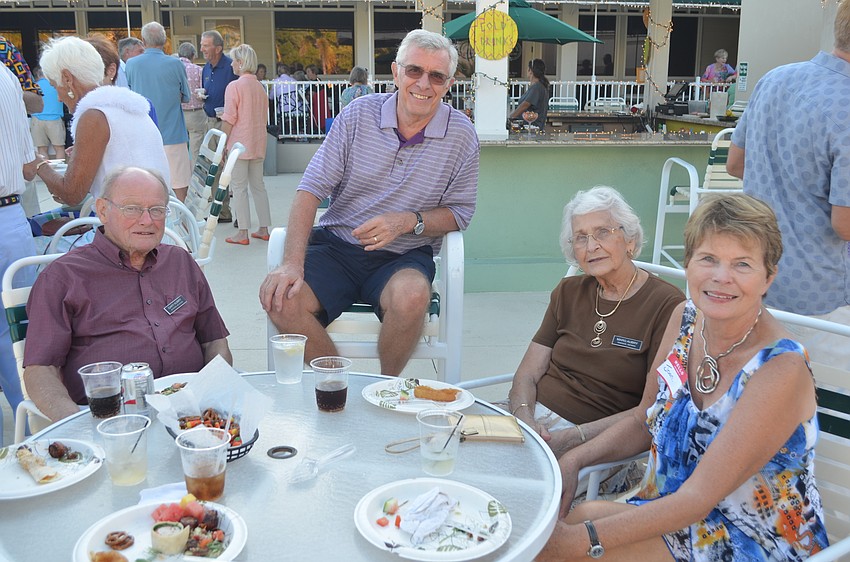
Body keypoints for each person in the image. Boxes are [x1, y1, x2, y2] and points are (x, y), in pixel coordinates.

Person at [539, 193, 829, 562]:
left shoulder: (779, 368)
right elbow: (647, 419)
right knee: (574, 521)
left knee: (566, 547)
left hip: (750, 539)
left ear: (768, 277)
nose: (721, 278)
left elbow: (698, 499)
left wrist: (581, 540)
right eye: (708, 259)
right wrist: (574, 460)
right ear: (688, 263)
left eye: (742, 264)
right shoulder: (686, 320)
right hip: (671, 513)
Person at [259, 29, 479, 376]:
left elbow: (460, 213)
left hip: (404, 255)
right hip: (337, 247)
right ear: (395, 72)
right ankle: (336, 382)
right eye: (414, 71)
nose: (424, 84)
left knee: (411, 296)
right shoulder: (359, 115)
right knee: (280, 297)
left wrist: (407, 221)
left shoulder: (461, 135)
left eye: (436, 76)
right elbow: (310, 190)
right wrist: (291, 264)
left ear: (449, 83)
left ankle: (385, 389)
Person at [23, 166, 232, 423]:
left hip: (193, 414)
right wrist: (78, 426)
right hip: (110, 421)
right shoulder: (63, 277)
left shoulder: (180, 262)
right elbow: (40, 369)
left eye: (157, 209)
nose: (147, 220)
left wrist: (212, 395)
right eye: (131, 208)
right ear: (102, 210)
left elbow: (214, 341)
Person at [507, 186, 683, 457]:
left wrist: (571, 438)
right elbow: (527, 373)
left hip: (595, 441)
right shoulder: (568, 292)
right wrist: (524, 420)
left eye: (603, 232)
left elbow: (651, 411)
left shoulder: (667, 305)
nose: (591, 246)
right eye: (580, 238)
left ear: (630, 241)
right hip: (531, 422)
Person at [727, 0, 850, 370]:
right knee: (822, 415)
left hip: (758, 277)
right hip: (822, 299)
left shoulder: (776, 78)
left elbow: (736, 164)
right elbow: (844, 224)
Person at [31, 36, 170, 205]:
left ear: (67, 78)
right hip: (148, 215)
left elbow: (72, 194)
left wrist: (39, 164)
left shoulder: (95, 115)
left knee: (38, 228)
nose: (58, 97)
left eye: (54, 86)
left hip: (131, 223)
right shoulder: (124, 106)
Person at [0, 64, 39, 441]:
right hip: (10, 216)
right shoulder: (6, 74)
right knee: (15, 335)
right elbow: (28, 168)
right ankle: (30, 437)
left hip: (11, 214)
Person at [126, 22, 191, 201]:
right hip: (173, 133)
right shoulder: (176, 64)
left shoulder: (131, 64)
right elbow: (186, 96)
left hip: (143, 135)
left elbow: (129, 95)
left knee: (145, 184)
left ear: (144, 41)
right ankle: (183, 223)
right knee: (179, 183)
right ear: (164, 41)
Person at [219, 44, 271, 246]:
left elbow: (230, 117)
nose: (231, 63)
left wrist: (223, 142)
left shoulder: (234, 86)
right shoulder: (260, 87)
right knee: (259, 187)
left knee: (239, 188)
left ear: (240, 63)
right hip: (258, 143)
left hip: (239, 145)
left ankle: (243, 232)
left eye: (233, 60)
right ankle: (264, 228)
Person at [200, 30, 237, 222]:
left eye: (206, 45)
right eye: (202, 45)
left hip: (227, 124)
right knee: (213, 168)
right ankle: (220, 212)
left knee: (228, 169)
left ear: (218, 48)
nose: (202, 49)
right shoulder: (206, 68)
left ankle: (235, 213)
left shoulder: (231, 67)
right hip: (210, 122)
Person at [178, 41, 207, 172]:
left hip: (178, 113)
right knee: (196, 149)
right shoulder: (199, 70)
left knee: (179, 149)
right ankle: (195, 179)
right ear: (193, 55)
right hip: (196, 113)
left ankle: (182, 176)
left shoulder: (174, 68)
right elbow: (204, 90)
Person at [29, 67, 64, 161]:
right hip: (55, 119)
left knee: (42, 149)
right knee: (59, 148)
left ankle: (47, 172)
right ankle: (60, 171)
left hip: (37, 120)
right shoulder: (55, 85)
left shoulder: (34, 86)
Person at [509, 58, 549, 130]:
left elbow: (525, 105)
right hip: (529, 126)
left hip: (532, 127)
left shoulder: (537, 87)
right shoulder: (537, 86)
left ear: (530, 71)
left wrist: (511, 117)